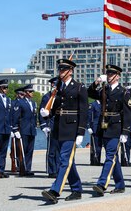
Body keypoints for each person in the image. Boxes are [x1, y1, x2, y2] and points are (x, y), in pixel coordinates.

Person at [41, 59, 88, 203]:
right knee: (68, 161)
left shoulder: (79, 88)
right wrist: (47, 113)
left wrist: (81, 132)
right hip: (59, 128)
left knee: (64, 160)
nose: (61, 72)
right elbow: (56, 108)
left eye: (63, 70)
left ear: (71, 71)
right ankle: (76, 189)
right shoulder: (58, 88)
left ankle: (55, 191)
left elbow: (84, 112)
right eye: (60, 70)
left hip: (72, 128)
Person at [88, 64, 131, 197]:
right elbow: (89, 93)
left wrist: (125, 131)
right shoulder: (104, 89)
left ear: (118, 76)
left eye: (111, 74)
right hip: (104, 127)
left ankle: (102, 183)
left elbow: (128, 113)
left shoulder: (123, 92)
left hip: (116, 127)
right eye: (108, 74)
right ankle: (120, 185)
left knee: (110, 156)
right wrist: (97, 82)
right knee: (113, 157)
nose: (109, 77)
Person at [12, 84, 37, 176]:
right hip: (23, 129)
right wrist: (15, 129)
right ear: (26, 93)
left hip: (31, 129)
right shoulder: (20, 103)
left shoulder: (33, 103)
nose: (32, 93)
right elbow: (16, 116)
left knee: (30, 150)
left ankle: (28, 168)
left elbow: (34, 117)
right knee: (22, 149)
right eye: (30, 92)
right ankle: (22, 168)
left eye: (32, 91)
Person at [39, 77, 60, 178]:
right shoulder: (47, 97)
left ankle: (58, 169)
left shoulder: (60, 96)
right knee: (51, 150)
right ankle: (51, 170)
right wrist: (44, 126)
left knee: (59, 150)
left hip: (59, 126)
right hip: (50, 125)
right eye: (55, 84)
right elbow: (41, 112)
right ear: (52, 85)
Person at [87, 100, 102, 166]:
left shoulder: (103, 103)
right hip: (94, 127)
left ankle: (98, 159)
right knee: (95, 145)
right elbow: (89, 116)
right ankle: (94, 160)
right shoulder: (93, 104)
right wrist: (88, 126)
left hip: (102, 127)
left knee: (99, 145)